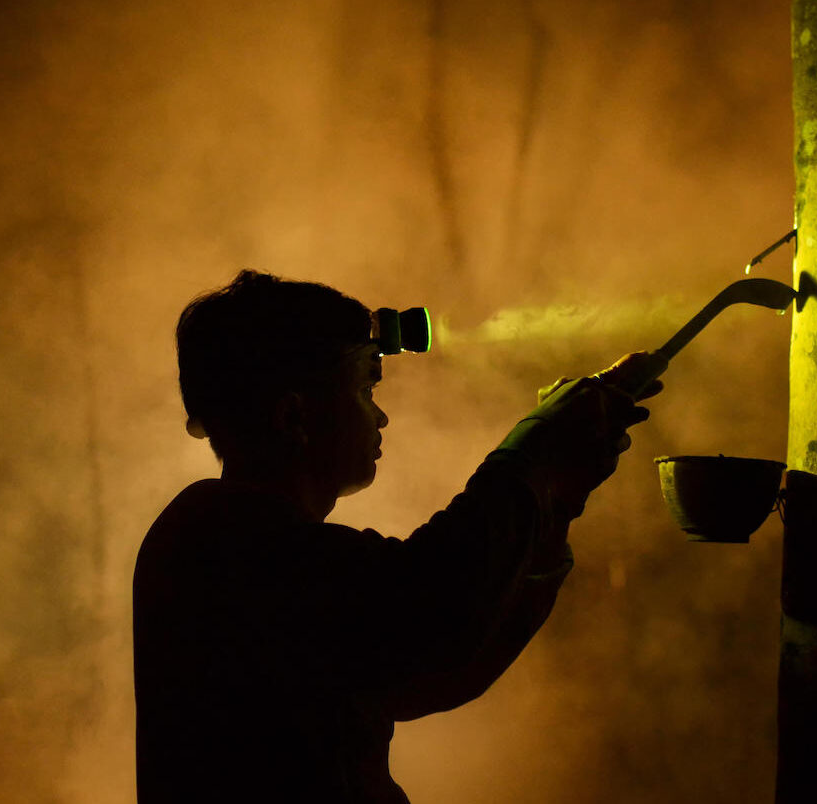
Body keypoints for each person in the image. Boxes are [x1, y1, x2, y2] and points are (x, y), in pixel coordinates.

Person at [133, 271, 661, 803]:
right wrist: (535, 448)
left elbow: (442, 672)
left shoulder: (225, 536)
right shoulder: (228, 541)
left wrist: (558, 499)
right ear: (294, 415)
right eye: (364, 388)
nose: (381, 415)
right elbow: (433, 606)